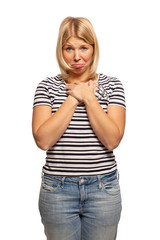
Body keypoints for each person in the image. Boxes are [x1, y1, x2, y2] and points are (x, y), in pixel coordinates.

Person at [32, 16, 126, 240]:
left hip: (103, 188)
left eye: (83, 47)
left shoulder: (112, 85)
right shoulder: (47, 87)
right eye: (69, 48)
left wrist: (89, 98)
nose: (76, 56)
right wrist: (74, 99)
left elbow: (112, 140)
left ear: (93, 48)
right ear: (60, 50)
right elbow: (43, 140)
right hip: (57, 190)